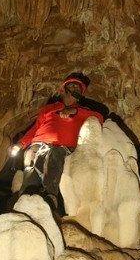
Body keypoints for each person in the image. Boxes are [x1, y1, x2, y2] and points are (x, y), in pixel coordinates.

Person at [9, 72, 104, 207]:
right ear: (64, 89)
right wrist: (20, 144)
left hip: (63, 148)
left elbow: (99, 118)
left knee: (55, 154)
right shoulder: (49, 109)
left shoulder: (83, 111)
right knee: (30, 157)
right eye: (72, 86)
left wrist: (74, 112)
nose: (76, 89)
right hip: (38, 144)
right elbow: (36, 127)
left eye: (78, 88)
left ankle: (50, 195)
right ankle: (25, 198)